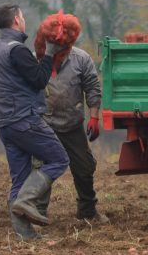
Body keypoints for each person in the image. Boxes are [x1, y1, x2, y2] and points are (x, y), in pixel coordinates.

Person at [0, 3, 70, 240]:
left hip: (5, 123)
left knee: (20, 177)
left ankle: (25, 235)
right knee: (59, 159)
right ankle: (27, 200)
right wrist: (49, 53)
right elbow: (38, 80)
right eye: (22, 16)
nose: (24, 20)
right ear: (16, 20)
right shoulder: (17, 49)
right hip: (23, 119)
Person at [42, 45, 110, 223]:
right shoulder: (37, 58)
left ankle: (87, 211)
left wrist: (94, 118)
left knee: (84, 168)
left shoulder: (81, 58)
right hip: (45, 125)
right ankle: (37, 212)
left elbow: (93, 88)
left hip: (72, 124)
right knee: (40, 168)